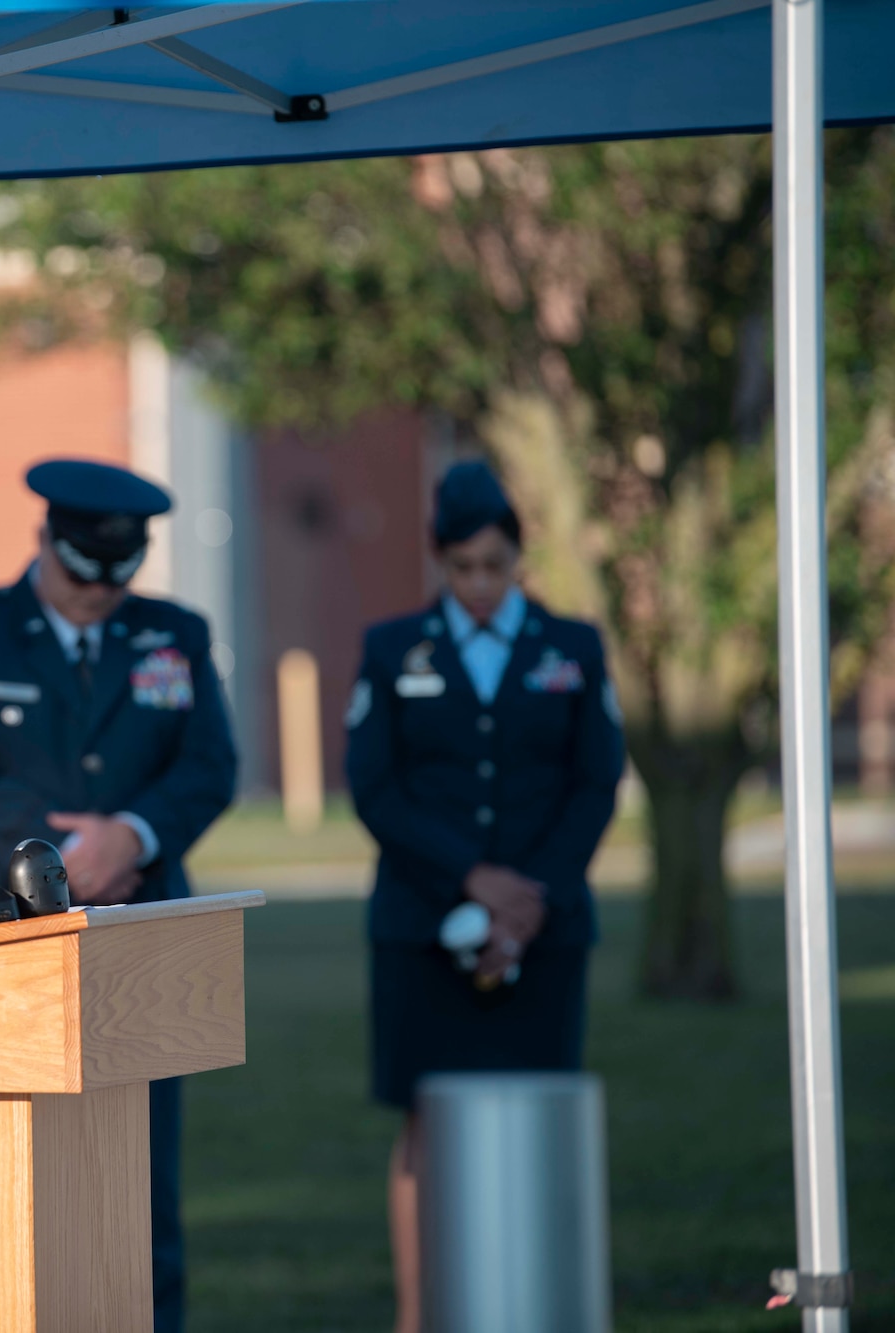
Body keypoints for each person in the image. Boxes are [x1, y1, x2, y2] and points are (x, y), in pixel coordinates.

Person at [0, 457, 238, 1333]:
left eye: (121, 569)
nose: (102, 589)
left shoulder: (176, 635)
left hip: (136, 933)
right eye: (84, 566)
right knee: (1, 1167)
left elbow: (209, 766)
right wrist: (57, 851)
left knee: (137, 1168)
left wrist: (131, 834)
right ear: (45, 541)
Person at [343, 460, 625, 1333]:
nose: (478, 586)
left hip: (546, 926)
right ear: (440, 560)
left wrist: (527, 897)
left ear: (518, 558)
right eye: (462, 567)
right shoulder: (393, 650)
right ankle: (419, 1312)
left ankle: (539, 1300)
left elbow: (595, 779)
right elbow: (376, 788)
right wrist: (473, 878)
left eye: (494, 566)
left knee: (540, 1110)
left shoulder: (572, 648)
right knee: (426, 1121)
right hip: (420, 927)